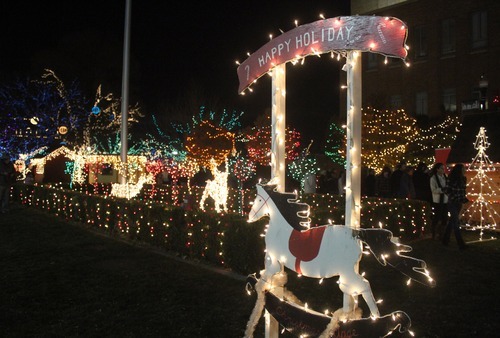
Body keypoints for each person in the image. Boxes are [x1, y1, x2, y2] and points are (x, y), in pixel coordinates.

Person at [442, 163, 468, 250]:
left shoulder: (463, 179)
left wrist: (463, 198)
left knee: (452, 221)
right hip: (452, 202)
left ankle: (445, 239)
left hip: (458, 203)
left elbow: (462, 191)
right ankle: (460, 243)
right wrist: (453, 197)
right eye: (463, 169)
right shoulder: (451, 178)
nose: (465, 170)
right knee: (456, 222)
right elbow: (447, 190)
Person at [429, 163, 448, 239]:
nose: (443, 170)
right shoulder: (433, 178)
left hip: (445, 200)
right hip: (437, 200)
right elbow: (433, 190)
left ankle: (441, 234)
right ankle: (434, 233)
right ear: (437, 169)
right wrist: (442, 190)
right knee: (437, 217)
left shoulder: (445, 177)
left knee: (445, 217)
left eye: (443, 168)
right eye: (441, 168)